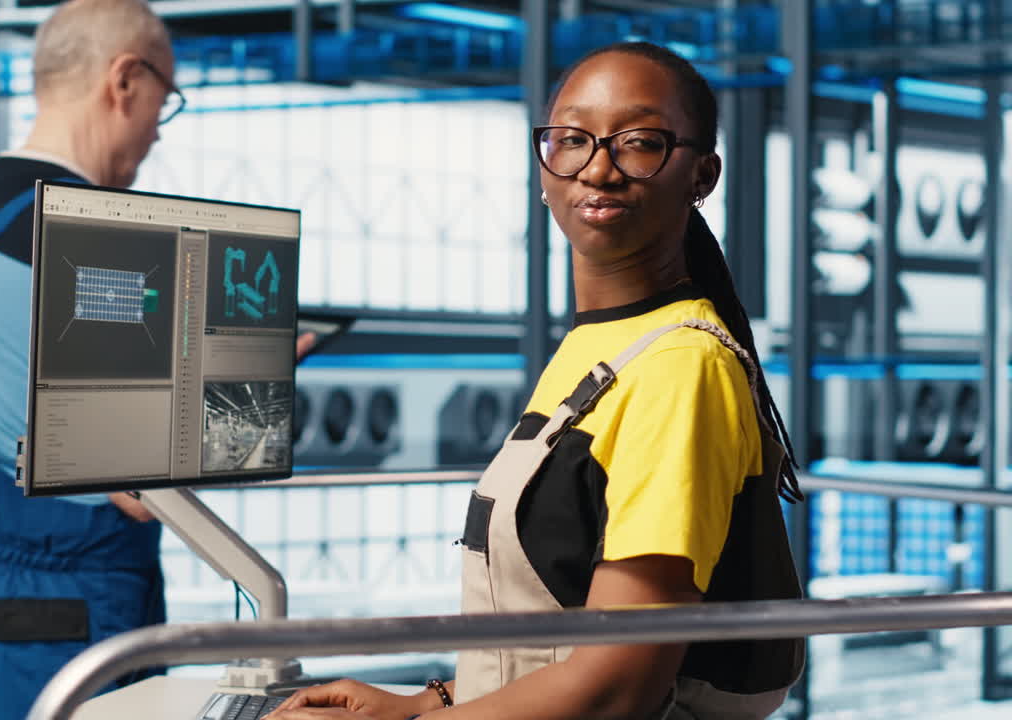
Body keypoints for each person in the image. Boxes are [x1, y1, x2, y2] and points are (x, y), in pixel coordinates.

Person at [268, 41, 805, 720]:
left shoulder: (680, 369)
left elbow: (619, 684)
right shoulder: (598, 345)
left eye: (639, 142)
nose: (598, 169)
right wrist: (421, 703)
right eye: (571, 139)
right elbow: (563, 640)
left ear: (702, 175)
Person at [0, 1, 182, 717]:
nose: (154, 131)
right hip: (75, 624)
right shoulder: (99, 236)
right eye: (163, 102)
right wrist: (234, 401)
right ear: (124, 81)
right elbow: (138, 494)